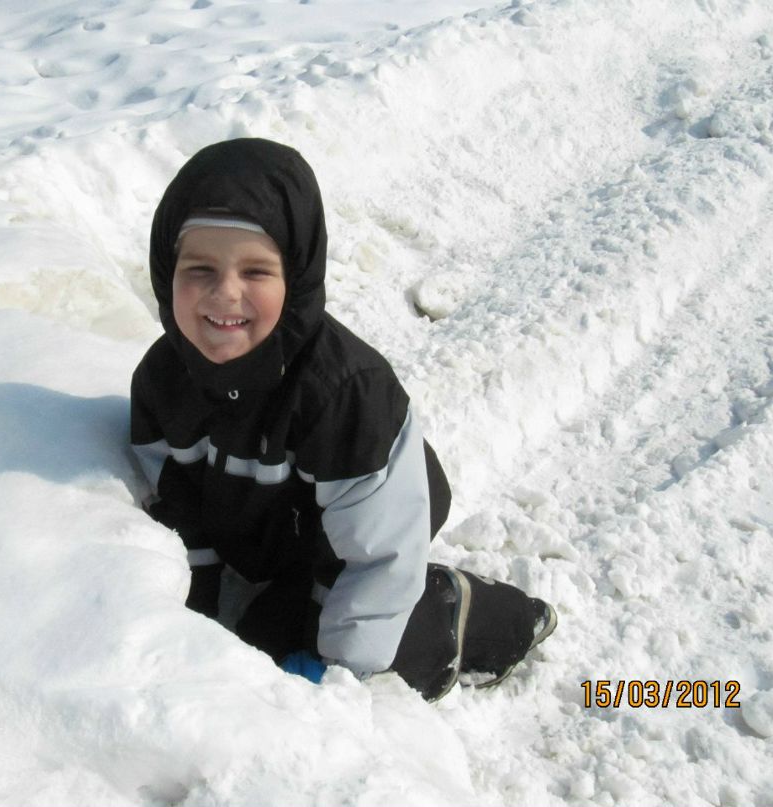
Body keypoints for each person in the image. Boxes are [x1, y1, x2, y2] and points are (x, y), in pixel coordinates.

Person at [129, 138, 555, 700]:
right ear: (166, 269)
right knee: (252, 644)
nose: (224, 293)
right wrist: (195, 615)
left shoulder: (345, 396)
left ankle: (479, 612)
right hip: (281, 541)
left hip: (374, 531)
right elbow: (175, 510)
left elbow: (376, 559)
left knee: (378, 652)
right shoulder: (162, 382)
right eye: (199, 268)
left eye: (256, 271)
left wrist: (337, 675)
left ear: (297, 276)